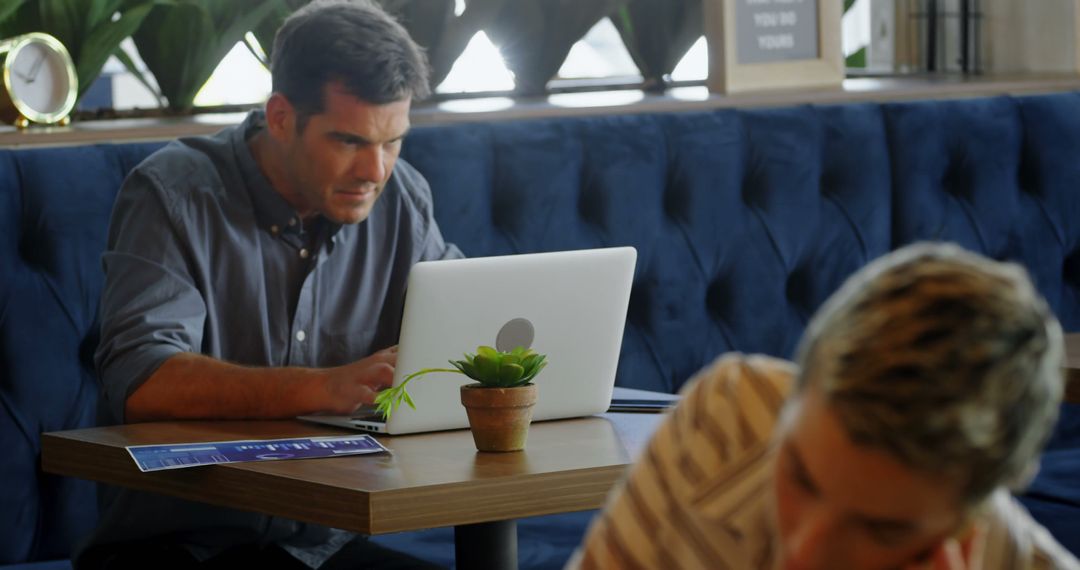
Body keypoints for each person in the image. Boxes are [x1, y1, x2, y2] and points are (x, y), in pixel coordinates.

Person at [79, 1, 459, 568]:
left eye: (393, 141)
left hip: (323, 545)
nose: (376, 171)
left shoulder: (403, 197)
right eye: (350, 142)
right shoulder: (173, 193)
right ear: (281, 116)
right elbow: (143, 380)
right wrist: (320, 387)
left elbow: (459, 325)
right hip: (179, 544)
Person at [571, 243, 1080, 570]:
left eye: (880, 528)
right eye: (800, 475)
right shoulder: (726, 414)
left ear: (968, 525)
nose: (805, 553)